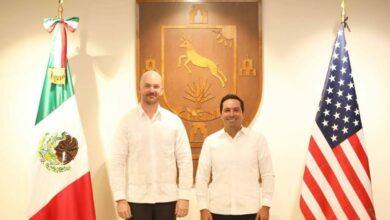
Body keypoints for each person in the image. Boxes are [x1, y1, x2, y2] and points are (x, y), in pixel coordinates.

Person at [109, 70, 193, 220]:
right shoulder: (126, 122)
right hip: (135, 200)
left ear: (161, 90)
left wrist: (184, 196)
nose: (151, 90)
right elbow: (117, 162)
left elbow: (185, 160)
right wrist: (120, 199)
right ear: (139, 88)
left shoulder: (173, 122)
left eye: (156, 86)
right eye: (147, 86)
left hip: (167, 200)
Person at [195, 94, 275, 220]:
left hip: (250, 211)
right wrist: (203, 208)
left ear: (242, 113)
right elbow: (201, 178)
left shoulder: (257, 140)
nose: (231, 114)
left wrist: (266, 205)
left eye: (236, 110)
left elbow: (268, 174)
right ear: (221, 114)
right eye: (227, 110)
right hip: (218, 211)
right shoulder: (210, 142)